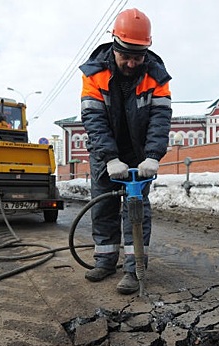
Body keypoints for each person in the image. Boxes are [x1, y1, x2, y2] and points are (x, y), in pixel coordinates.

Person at [79, 8, 172, 294]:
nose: (132, 63)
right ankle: (105, 260)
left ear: (147, 49)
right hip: (106, 156)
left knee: (136, 211)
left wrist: (153, 156)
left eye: (138, 56)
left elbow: (160, 119)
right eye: (126, 56)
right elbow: (93, 119)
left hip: (138, 155)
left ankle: (134, 269)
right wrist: (109, 157)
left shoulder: (157, 76)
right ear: (115, 47)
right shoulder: (95, 73)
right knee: (104, 207)